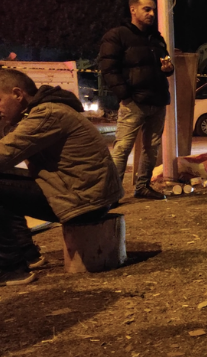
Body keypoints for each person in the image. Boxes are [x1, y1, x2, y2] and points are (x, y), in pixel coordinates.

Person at [0, 70, 124, 286]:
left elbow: (4, 153)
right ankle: (28, 254)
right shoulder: (42, 111)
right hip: (83, 193)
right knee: (6, 180)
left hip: (85, 201)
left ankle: (10, 268)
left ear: (17, 94)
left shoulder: (46, 115)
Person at [98, 0, 174, 200]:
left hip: (157, 100)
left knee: (152, 148)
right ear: (133, 10)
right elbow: (108, 68)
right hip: (134, 103)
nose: (152, 14)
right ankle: (111, 193)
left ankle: (143, 187)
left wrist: (168, 69)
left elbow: (164, 64)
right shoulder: (117, 36)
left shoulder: (156, 38)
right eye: (147, 9)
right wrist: (125, 95)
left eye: (153, 10)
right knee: (122, 148)